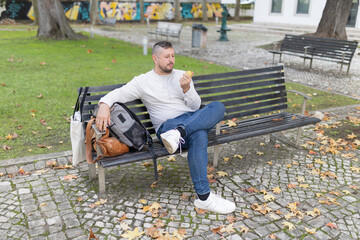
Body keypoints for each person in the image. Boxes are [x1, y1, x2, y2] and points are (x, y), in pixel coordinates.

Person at [95, 41, 236, 214]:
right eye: (167, 57)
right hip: (167, 126)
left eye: (173, 56)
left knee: (218, 107)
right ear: (155, 58)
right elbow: (119, 93)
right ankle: (204, 197)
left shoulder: (182, 76)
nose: (171, 60)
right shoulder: (143, 81)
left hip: (188, 122)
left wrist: (186, 89)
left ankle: (181, 135)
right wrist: (103, 104)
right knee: (199, 135)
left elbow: (195, 106)